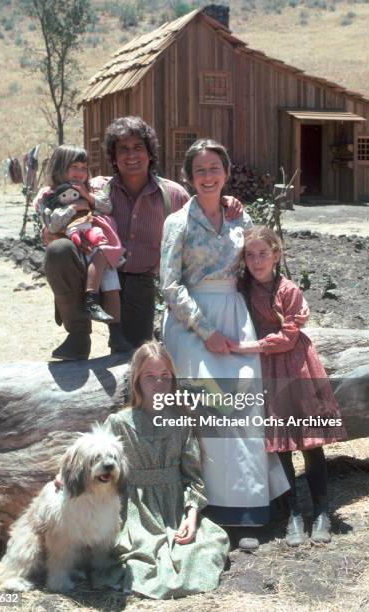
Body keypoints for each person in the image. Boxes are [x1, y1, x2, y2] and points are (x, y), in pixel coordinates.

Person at [160, 139, 290, 550]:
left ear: (226, 172)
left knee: (247, 403)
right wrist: (204, 330)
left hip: (236, 318)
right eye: (199, 170)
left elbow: (257, 263)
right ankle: (208, 507)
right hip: (191, 322)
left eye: (214, 168)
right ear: (189, 177)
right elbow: (169, 285)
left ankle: (248, 509)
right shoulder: (177, 223)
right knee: (211, 404)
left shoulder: (240, 217)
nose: (208, 176)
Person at [43, 116, 243, 360]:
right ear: (114, 158)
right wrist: (54, 231)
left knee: (134, 357)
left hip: (141, 286)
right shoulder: (96, 189)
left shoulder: (173, 195)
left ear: (149, 153)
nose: (131, 155)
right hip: (93, 276)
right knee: (59, 250)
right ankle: (78, 335)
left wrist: (227, 202)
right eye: (123, 150)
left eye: (138, 148)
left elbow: (203, 207)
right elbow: (55, 213)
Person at [232, 225, 346, 546]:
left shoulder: (288, 290)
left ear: (276, 255)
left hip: (296, 365)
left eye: (263, 254)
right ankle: (293, 513)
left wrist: (249, 347)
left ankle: (322, 512)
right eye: (250, 255)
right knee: (280, 442)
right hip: (268, 369)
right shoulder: (242, 288)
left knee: (310, 441)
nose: (256, 261)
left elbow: (288, 337)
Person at [91, 342, 230, 599]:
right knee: (135, 558)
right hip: (133, 511)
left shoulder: (181, 422)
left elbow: (192, 477)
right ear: (136, 380)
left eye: (165, 377)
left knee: (205, 548)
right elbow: (93, 461)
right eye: (150, 377)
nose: (158, 384)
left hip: (173, 510)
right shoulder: (118, 424)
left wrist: (190, 516)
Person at [34, 146, 131, 357]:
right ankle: (78, 335)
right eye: (73, 167)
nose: (79, 173)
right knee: (60, 252)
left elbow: (106, 208)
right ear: (60, 168)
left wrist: (87, 196)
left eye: (84, 168)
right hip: (72, 251)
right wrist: (74, 207)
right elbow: (51, 225)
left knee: (110, 283)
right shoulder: (50, 196)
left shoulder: (93, 189)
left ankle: (116, 334)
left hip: (97, 246)